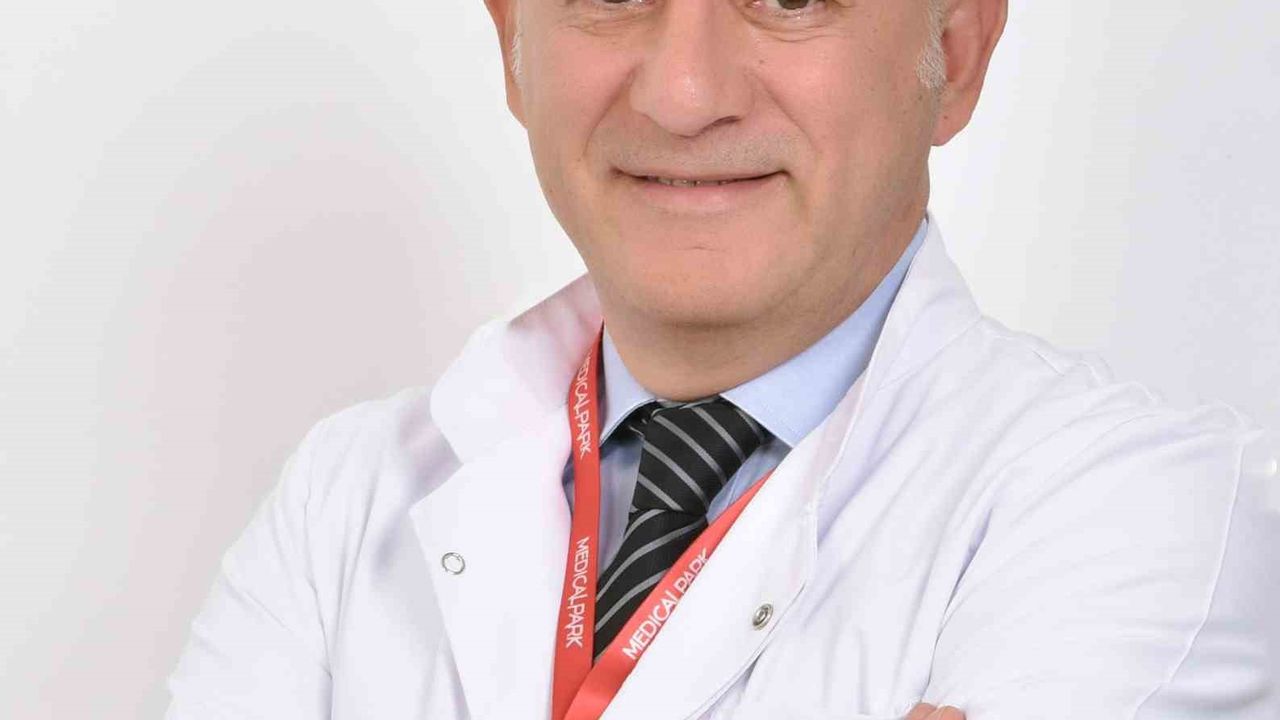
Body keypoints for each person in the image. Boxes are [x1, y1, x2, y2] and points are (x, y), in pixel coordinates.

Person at [165, 0, 1280, 717]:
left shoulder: (1145, 514)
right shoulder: (345, 497)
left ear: (953, 50)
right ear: (512, 47)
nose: (682, 94)